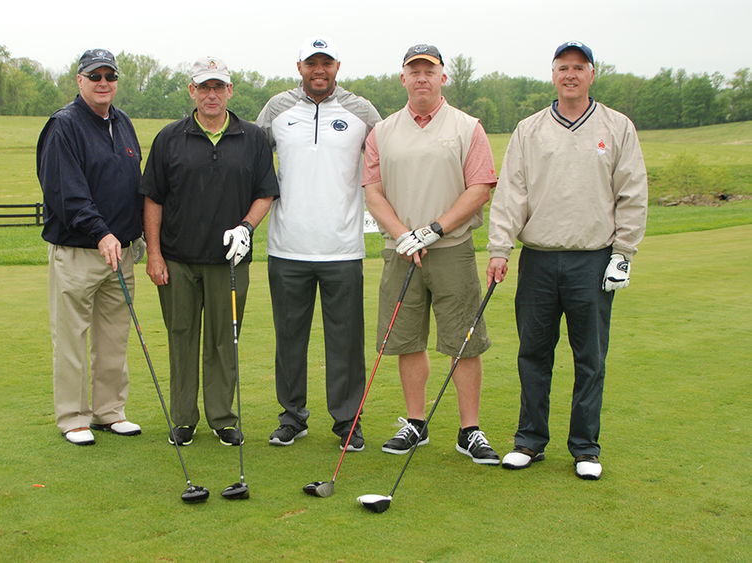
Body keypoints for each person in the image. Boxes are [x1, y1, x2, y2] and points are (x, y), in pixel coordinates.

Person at [487, 41, 648, 480]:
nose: (571, 75)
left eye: (579, 67)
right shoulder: (529, 129)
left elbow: (631, 193)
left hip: (592, 260)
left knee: (589, 358)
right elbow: (511, 194)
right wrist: (500, 248)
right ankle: (529, 441)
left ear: (592, 74)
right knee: (533, 354)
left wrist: (623, 253)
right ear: (553, 74)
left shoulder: (617, 127)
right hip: (538, 260)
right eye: (563, 68)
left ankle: (585, 448)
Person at [362, 44, 500, 464]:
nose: (422, 77)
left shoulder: (466, 127)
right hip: (400, 251)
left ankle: (469, 430)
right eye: (414, 71)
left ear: (443, 77)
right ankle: (416, 424)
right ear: (403, 78)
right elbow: (373, 191)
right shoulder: (382, 131)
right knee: (406, 340)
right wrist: (404, 234)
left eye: (430, 70)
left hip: (451, 248)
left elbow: (480, 187)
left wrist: (435, 229)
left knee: (464, 340)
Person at [140, 56, 279, 448]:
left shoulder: (252, 138)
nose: (212, 94)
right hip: (178, 260)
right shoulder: (170, 137)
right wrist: (154, 253)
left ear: (230, 91)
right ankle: (183, 419)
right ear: (192, 92)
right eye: (204, 87)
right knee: (181, 338)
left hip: (230, 262)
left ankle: (222, 418)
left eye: (218, 87)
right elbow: (152, 198)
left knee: (224, 341)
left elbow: (265, 192)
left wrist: (246, 228)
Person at [255, 37, 381, 452]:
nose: (319, 70)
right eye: (312, 63)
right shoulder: (276, 109)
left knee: (346, 342)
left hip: (343, 249)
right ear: (300, 67)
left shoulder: (361, 111)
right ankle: (292, 418)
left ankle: (347, 420)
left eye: (326, 63)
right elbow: (251, 166)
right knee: (289, 338)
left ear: (337, 66)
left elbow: (385, 166)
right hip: (287, 246)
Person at [37, 48, 144, 446]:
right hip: (80, 251)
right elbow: (66, 193)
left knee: (114, 336)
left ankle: (109, 411)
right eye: (95, 76)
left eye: (109, 77)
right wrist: (101, 232)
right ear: (79, 80)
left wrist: (137, 232)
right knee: (71, 338)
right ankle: (73, 417)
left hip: (121, 252)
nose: (103, 83)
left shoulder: (123, 122)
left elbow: (133, 185)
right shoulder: (63, 126)